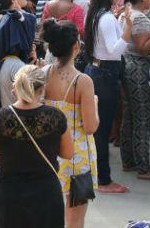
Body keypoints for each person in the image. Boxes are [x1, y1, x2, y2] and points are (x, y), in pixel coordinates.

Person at [0, 64, 72, 228]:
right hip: (46, 193)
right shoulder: (56, 117)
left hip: (8, 193)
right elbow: (67, 153)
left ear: (15, 87)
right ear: (42, 89)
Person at [41, 20, 99, 228]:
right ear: (76, 45)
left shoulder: (43, 73)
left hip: (49, 152)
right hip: (77, 155)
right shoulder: (83, 81)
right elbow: (91, 126)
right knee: (75, 220)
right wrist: (95, 105)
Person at [83, 0, 133, 193]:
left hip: (97, 70)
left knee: (98, 128)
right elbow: (114, 51)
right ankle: (103, 179)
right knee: (102, 129)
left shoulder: (98, 14)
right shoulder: (105, 18)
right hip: (105, 73)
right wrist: (128, 30)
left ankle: (98, 175)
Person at [119, 0, 150, 180]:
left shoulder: (128, 14)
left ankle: (129, 160)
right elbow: (144, 48)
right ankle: (144, 167)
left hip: (130, 67)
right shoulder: (139, 18)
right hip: (139, 69)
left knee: (130, 116)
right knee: (143, 118)